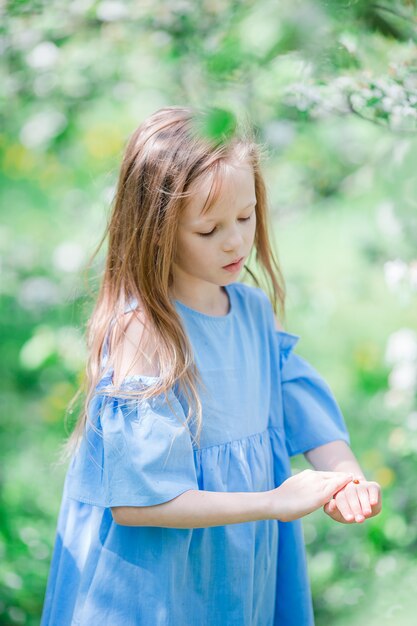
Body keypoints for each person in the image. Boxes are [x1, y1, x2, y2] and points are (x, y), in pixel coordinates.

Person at [41, 106, 382, 626]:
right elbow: (139, 504)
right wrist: (271, 501)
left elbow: (303, 410)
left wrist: (346, 478)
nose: (235, 241)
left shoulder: (252, 312)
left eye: (246, 217)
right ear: (156, 229)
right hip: (154, 589)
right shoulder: (145, 334)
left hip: (239, 570)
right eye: (208, 229)